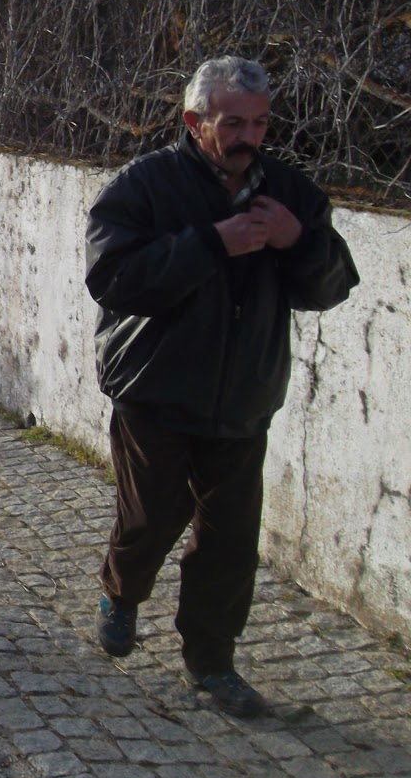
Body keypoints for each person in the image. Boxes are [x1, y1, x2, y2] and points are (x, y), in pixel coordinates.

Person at [85, 55, 358, 717]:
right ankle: (122, 593)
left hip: (244, 396)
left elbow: (331, 286)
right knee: (151, 518)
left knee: (230, 539)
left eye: (260, 124)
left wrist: (298, 242)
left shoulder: (289, 193)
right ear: (194, 120)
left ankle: (211, 661)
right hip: (155, 386)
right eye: (232, 123)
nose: (248, 137)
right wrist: (210, 243)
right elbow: (114, 279)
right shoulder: (145, 185)